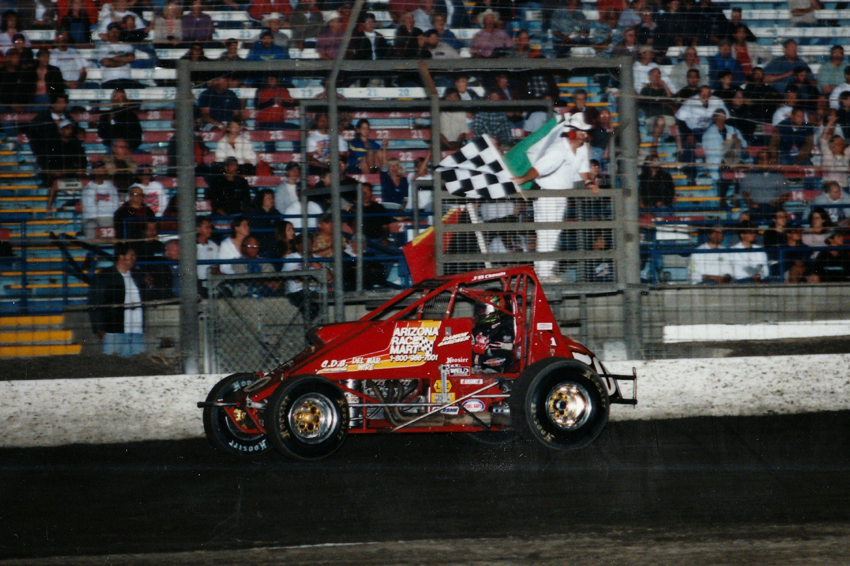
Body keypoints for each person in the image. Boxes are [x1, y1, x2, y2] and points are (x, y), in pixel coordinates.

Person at [511, 112, 598, 283]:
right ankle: (542, 273)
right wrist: (523, 179)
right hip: (547, 195)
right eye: (582, 132)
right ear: (572, 133)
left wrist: (589, 182)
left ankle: (545, 271)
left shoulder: (581, 148)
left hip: (562, 195)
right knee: (546, 232)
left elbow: (583, 168)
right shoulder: (557, 149)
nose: (585, 135)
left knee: (554, 232)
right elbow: (539, 168)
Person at [88, 242, 147, 357]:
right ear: (122, 257)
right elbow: (94, 302)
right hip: (114, 332)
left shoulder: (138, 276)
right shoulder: (104, 276)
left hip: (136, 332)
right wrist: (98, 327)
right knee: (113, 363)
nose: (135, 258)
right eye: (132, 255)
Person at [701, 108, 747, 201]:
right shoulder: (708, 134)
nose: (722, 119)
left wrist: (739, 142)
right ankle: (722, 197)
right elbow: (709, 151)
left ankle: (737, 194)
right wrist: (725, 145)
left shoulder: (732, 129)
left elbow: (744, 144)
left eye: (723, 116)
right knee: (727, 169)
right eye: (719, 116)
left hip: (733, 158)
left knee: (743, 167)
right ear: (715, 118)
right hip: (718, 160)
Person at [739, 149, 790, 222]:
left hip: (773, 207)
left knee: (780, 215)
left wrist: (776, 203)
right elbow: (745, 192)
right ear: (757, 160)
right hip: (756, 208)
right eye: (760, 159)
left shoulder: (778, 176)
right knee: (745, 217)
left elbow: (785, 194)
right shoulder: (750, 175)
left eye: (766, 159)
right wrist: (751, 203)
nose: (762, 161)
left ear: (770, 160)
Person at [471, 294, 514, 373]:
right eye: (479, 310)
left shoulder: (504, 330)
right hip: (476, 370)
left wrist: (478, 360)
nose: (480, 313)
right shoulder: (479, 329)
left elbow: (500, 360)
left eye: (483, 310)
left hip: (494, 373)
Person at [96, 22, 142, 91]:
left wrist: (114, 59)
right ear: (108, 33)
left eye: (116, 31)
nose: (114, 33)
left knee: (141, 89)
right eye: (112, 31)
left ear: (120, 33)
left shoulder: (126, 46)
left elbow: (131, 58)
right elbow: (106, 63)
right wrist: (123, 60)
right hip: (109, 80)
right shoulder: (103, 47)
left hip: (126, 79)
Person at [81, 161, 120, 239]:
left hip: (110, 217)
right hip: (92, 218)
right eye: (97, 169)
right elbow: (90, 210)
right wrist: (106, 204)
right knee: (91, 226)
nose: (100, 171)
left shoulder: (111, 187)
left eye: (102, 169)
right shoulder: (88, 188)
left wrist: (98, 202)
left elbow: (115, 207)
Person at [97, 88, 142, 152]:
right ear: (111, 99)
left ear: (125, 100)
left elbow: (137, 135)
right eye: (115, 96)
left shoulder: (131, 115)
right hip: (112, 149)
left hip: (129, 149)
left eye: (121, 96)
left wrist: (129, 148)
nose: (118, 99)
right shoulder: (106, 116)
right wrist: (108, 121)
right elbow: (102, 134)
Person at [247, 188, 281, 255]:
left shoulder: (276, 213)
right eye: (268, 198)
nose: (271, 200)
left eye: (272, 198)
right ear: (261, 199)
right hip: (260, 244)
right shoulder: (255, 214)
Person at [196, 216, 218, 297]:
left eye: (210, 227)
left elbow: (216, 265)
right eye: (207, 227)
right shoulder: (190, 245)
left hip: (210, 281)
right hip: (195, 282)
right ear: (197, 228)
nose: (210, 230)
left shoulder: (213, 245)